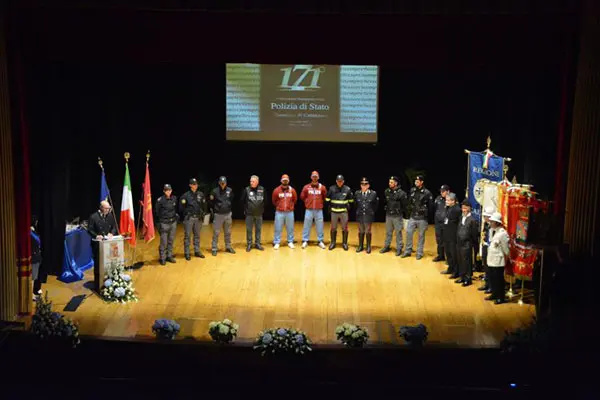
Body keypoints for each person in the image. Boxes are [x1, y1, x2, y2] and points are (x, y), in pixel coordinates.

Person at [87, 200, 118, 292]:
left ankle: (109, 282)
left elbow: (114, 227)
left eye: (109, 208)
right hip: (97, 245)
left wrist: (111, 233)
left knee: (109, 263)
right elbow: (89, 229)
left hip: (109, 244)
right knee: (98, 264)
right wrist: (96, 235)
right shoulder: (93, 217)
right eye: (107, 208)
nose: (109, 210)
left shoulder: (110, 216)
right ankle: (98, 285)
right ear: (101, 208)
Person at [402, 175, 433, 260]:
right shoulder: (412, 190)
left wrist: (427, 218)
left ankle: (419, 253)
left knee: (421, 236)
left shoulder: (427, 193)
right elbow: (409, 203)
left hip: (422, 218)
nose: (416, 182)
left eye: (418, 181)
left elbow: (430, 207)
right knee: (408, 232)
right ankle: (408, 251)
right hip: (413, 216)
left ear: (422, 182)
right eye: (415, 181)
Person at [179, 178, 208, 260]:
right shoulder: (185, 196)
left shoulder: (200, 194)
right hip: (189, 218)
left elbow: (204, 204)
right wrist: (187, 214)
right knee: (187, 236)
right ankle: (187, 252)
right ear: (190, 185)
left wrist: (203, 213)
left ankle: (197, 251)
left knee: (197, 235)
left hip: (198, 218)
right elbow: (181, 208)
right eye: (194, 184)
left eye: (196, 184)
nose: (195, 186)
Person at [380, 176, 408, 256]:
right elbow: (385, 202)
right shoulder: (387, 191)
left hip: (397, 216)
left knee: (398, 232)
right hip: (388, 215)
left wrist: (401, 213)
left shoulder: (401, 193)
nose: (390, 184)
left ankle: (399, 248)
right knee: (388, 232)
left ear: (396, 183)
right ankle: (386, 246)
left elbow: (405, 205)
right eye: (389, 182)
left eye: (391, 182)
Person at [486, 212, 510, 304]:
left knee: (499, 279)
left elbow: (506, 248)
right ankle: (494, 294)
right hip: (491, 259)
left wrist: (507, 257)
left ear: (497, 222)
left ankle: (501, 297)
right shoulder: (492, 231)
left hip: (498, 260)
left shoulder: (502, 233)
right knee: (492, 278)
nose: (490, 223)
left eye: (492, 221)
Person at [325, 174, 353, 250]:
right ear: (336, 181)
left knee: (345, 228)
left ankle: (344, 243)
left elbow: (351, 200)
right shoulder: (331, 189)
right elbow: (327, 199)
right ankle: (333, 243)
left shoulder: (347, 189)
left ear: (343, 181)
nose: (339, 182)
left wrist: (347, 206)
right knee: (333, 228)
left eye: (341, 181)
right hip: (334, 212)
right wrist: (330, 207)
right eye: (338, 181)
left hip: (343, 212)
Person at [300, 171, 327, 249]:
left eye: (316, 176)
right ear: (311, 177)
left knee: (320, 226)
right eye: (313, 176)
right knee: (306, 225)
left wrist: (320, 203)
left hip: (319, 210)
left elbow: (325, 197)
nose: (314, 178)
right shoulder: (306, 187)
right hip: (309, 210)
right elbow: (302, 196)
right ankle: (305, 240)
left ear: (318, 177)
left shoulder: (322, 187)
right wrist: (308, 202)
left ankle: (320, 241)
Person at [455, 200, 479, 287]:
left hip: (467, 243)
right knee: (460, 259)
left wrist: (472, 244)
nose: (463, 210)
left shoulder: (472, 220)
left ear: (469, 208)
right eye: (462, 208)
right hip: (459, 243)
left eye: (465, 208)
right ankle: (462, 276)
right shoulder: (461, 218)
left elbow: (474, 234)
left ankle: (468, 278)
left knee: (467, 261)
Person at [210, 176, 235, 256]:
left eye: (224, 183)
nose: (223, 184)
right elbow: (211, 202)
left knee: (228, 232)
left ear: (226, 183)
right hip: (218, 215)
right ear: (219, 183)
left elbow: (231, 200)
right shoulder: (214, 191)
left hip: (228, 214)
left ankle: (228, 246)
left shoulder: (229, 190)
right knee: (216, 232)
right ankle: (214, 248)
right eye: (221, 183)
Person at [240, 175, 266, 252]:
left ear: (257, 182)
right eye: (250, 181)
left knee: (258, 229)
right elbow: (242, 201)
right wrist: (245, 210)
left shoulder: (262, 189)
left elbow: (266, 201)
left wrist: (261, 209)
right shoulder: (246, 189)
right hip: (249, 214)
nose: (251, 183)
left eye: (253, 181)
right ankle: (249, 244)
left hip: (259, 214)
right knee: (249, 230)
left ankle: (257, 243)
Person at [272, 174, 297, 249]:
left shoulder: (292, 190)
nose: (285, 181)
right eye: (284, 180)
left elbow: (295, 200)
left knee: (290, 228)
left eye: (286, 180)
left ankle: (290, 241)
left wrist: (290, 206)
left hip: (289, 212)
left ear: (288, 181)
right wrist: (279, 206)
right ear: (281, 181)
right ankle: (277, 242)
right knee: (278, 227)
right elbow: (274, 200)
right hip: (279, 212)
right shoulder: (276, 190)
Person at [354, 177, 379, 254]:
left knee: (368, 231)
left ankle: (368, 246)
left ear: (368, 185)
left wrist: (371, 211)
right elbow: (355, 204)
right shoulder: (357, 193)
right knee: (361, 231)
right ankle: (360, 246)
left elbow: (376, 205)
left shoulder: (373, 193)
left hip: (368, 215)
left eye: (365, 184)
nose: (363, 185)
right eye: (362, 184)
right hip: (360, 215)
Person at [155, 184, 178, 265]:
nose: (168, 191)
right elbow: (157, 213)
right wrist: (160, 224)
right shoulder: (160, 200)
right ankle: (162, 257)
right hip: (164, 223)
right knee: (164, 242)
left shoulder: (174, 198)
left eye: (170, 190)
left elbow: (175, 209)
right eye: (167, 190)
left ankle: (169, 256)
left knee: (171, 240)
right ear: (164, 191)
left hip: (173, 222)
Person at [440, 193, 460, 278]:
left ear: (453, 201)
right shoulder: (449, 208)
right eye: (446, 200)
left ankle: (456, 272)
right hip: (447, 235)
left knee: (453, 254)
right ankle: (450, 268)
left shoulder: (457, 209)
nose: (446, 201)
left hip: (453, 236)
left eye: (448, 200)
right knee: (448, 253)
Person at [478, 207, 495, 294]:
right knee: (485, 266)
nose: (485, 218)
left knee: (490, 267)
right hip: (485, 246)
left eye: (486, 216)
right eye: (484, 216)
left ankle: (491, 286)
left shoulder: (494, 226)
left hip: (491, 248)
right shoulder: (485, 224)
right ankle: (487, 284)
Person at [433, 184, 450, 262]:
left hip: (447, 225)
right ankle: (440, 255)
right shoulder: (438, 198)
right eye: (441, 191)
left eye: (443, 191)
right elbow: (434, 208)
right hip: (438, 224)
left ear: (448, 191)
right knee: (439, 240)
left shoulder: (451, 199)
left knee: (447, 241)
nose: (441, 193)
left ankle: (449, 258)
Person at [31, 216, 43, 297]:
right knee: (33, 277)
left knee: (36, 276)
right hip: (33, 257)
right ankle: (31, 294)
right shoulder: (29, 233)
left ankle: (35, 290)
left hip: (37, 255)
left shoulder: (34, 231)